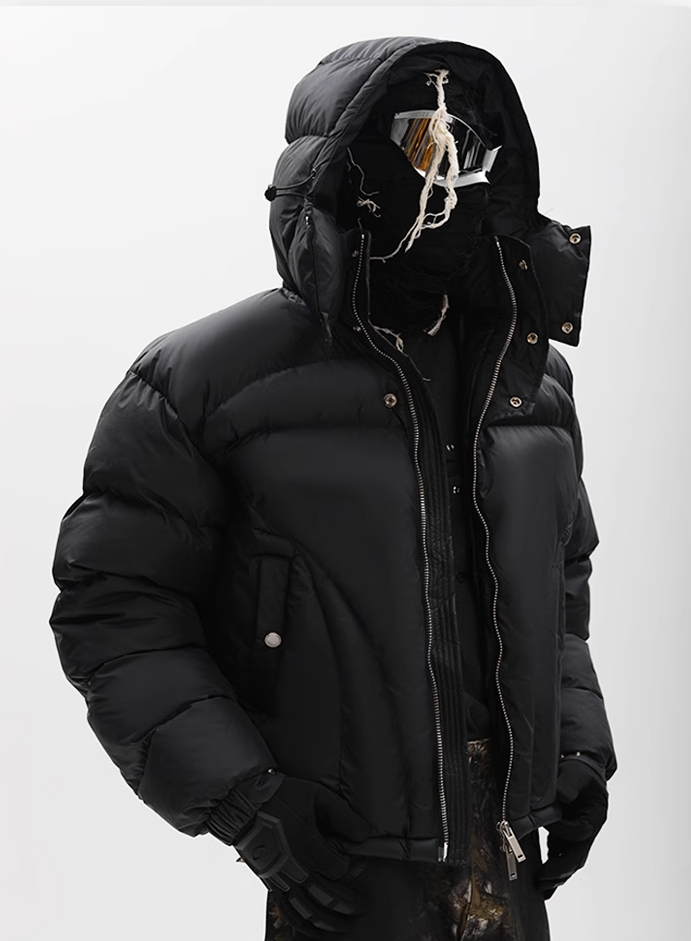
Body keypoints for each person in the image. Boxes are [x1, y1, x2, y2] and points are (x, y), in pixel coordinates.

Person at [48, 36, 617, 941]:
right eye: (421, 143)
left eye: (469, 147)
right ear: (342, 166)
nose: (447, 178)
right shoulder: (204, 380)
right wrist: (243, 795)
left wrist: (578, 747)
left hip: (506, 860)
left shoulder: (526, 378)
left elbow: (558, 591)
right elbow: (115, 606)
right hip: (341, 865)